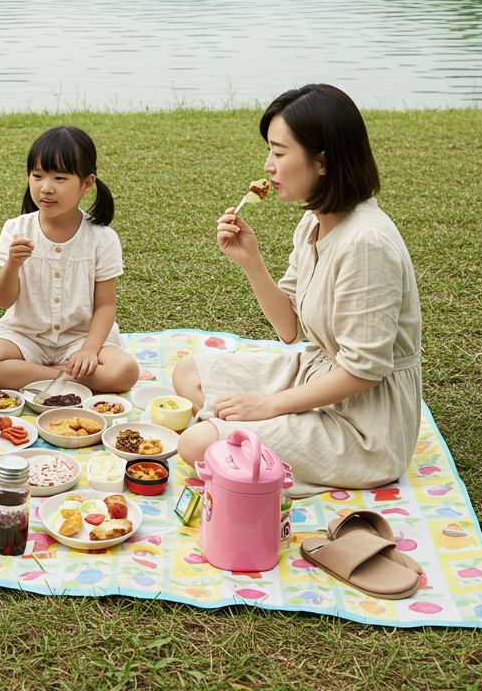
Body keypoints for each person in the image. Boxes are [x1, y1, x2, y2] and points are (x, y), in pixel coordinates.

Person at [174, 84, 422, 498]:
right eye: (269, 152)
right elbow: (290, 329)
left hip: (362, 424)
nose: (268, 166)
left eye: (279, 152)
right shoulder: (313, 221)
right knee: (188, 372)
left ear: (323, 162)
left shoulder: (366, 244)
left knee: (196, 444)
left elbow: (364, 370)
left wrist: (268, 406)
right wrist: (251, 261)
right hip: (316, 372)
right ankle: (257, 427)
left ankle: (252, 429)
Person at [0, 126, 139, 394]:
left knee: (125, 370)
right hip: (25, 338)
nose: (46, 188)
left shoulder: (102, 238)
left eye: (60, 178)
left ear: (87, 184)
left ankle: (32, 376)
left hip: (80, 339)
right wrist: (12, 264)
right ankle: (65, 377)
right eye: (37, 176)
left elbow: (106, 306)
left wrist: (89, 350)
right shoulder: (15, 230)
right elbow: (3, 301)